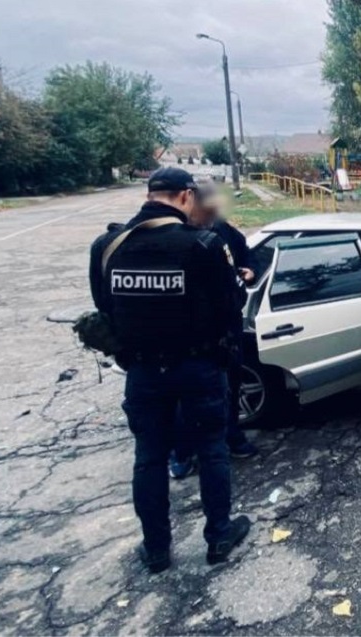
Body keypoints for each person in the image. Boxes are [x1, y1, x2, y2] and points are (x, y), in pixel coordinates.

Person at [89, 167, 251, 574]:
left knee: (149, 458)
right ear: (184, 197)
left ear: (149, 194)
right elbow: (230, 308)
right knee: (212, 450)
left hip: (143, 371)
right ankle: (218, 536)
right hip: (198, 366)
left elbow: (105, 311)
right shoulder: (203, 245)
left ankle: (157, 549)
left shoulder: (108, 246)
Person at [169, 180, 257, 478]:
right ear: (189, 201)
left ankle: (233, 436)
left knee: (230, 389)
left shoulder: (222, 230)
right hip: (184, 336)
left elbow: (246, 254)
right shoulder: (173, 236)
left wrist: (249, 271)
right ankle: (181, 453)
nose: (214, 211)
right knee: (183, 401)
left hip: (225, 332)